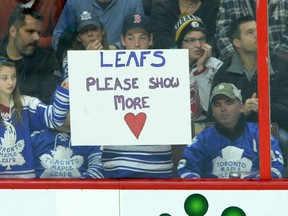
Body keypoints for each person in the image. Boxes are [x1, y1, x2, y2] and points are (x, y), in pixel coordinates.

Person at [101, 13, 173, 178]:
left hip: (158, 165)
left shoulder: (168, 72)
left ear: (151, 40)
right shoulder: (105, 73)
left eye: (142, 38)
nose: (137, 44)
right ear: (123, 40)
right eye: (131, 38)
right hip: (116, 164)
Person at [210, 16, 288, 168]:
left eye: (260, 30)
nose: (258, 35)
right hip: (236, 133)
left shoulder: (282, 66)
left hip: (277, 131)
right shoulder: (224, 73)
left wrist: (263, 108)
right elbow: (213, 114)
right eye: (250, 32)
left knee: (284, 139)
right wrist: (240, 111)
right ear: (237, 42)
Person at [177, 82, 284, 179]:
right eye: (217, 104)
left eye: (229, 103)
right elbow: (186, 169)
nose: (223, 108)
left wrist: (253, 185)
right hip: (214, 197)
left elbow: (276, 168)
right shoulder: (203, 139)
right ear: (213, 111)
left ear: (241, 107)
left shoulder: (259, 134)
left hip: (252, 196)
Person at [0, 57, 69, 178]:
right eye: (4, 78)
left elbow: (55, 120)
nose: (11, 82)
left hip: (25, 181)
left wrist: (63, 94)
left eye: (13, 76)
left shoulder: (27, 104)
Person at [0, 6, 62, 104]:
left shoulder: (47, 61)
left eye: (38, 33)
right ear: (13, 32)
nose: (37, 38)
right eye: (30, 31)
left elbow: (50, 105)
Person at [175, 14, 223, 125]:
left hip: (207, 125)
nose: (198, 45)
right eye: (191, 40)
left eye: (202, 39)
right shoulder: (170, 67)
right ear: (180, 43)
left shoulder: (217, 66)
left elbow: (210, 108)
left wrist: (201, 70)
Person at [31, 113, 104, 178]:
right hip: (39, 191)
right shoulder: (35, 137)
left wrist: (77, 188)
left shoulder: (91, 139)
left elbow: (99, 168)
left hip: (81, 191)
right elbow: (24, 170)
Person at [52, 0, 144, 50]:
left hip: (121, 65)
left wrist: (116, 47)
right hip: (83, 65)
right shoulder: (75, 2)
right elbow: (57, 40)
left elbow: (142, 39)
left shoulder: (132, 2)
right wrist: (81, 54)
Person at [216, 0, 288, 61]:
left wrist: (274, 60)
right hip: (241, 65)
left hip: (282, 63)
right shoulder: (229, 2)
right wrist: (240, 60)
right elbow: (223, 36)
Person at [150, 0, 219, 53]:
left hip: (205, 57)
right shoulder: (162, 8)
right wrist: (182, 54)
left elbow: (214, 37)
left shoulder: (214, 7)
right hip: (171, 58)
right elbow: (160, 37)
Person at [58, 10, 109, 80]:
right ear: (78, 37)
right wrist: (87, 58)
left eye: (94, 29)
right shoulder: (69, 57)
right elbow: (68, 83)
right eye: (84, 31)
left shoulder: (114, 54)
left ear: (102, 31)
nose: (90, 34)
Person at [0, 0, 66, 49]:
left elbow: (62, 38)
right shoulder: (2, 3)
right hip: (5, 56)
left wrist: (36, 41)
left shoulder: (54, 3)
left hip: (41, 57)